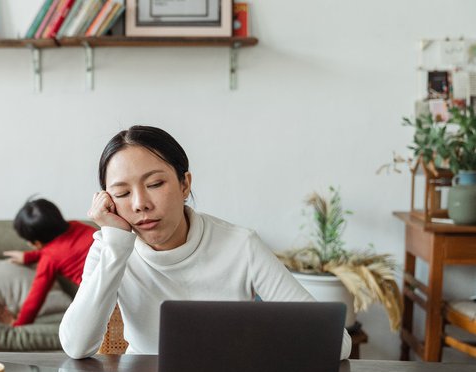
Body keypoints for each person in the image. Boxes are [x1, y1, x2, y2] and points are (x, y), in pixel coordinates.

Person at [59, 125, 352, 359]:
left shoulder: (241, 246)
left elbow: (336, 344)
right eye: (122, 193)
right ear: (107, 201)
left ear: (185, 184)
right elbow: (76, 346)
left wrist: (254, 347)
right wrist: (116, 244)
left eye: (155, 184)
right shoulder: (111, 247)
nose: (140, 204)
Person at [1, 198, 96, 327]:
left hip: (100, 296)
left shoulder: (49, 259)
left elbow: (35, 298)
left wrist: (19, 324)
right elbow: (65, 248)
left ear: (37, 243)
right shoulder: (77, 225)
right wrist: (29, 257)